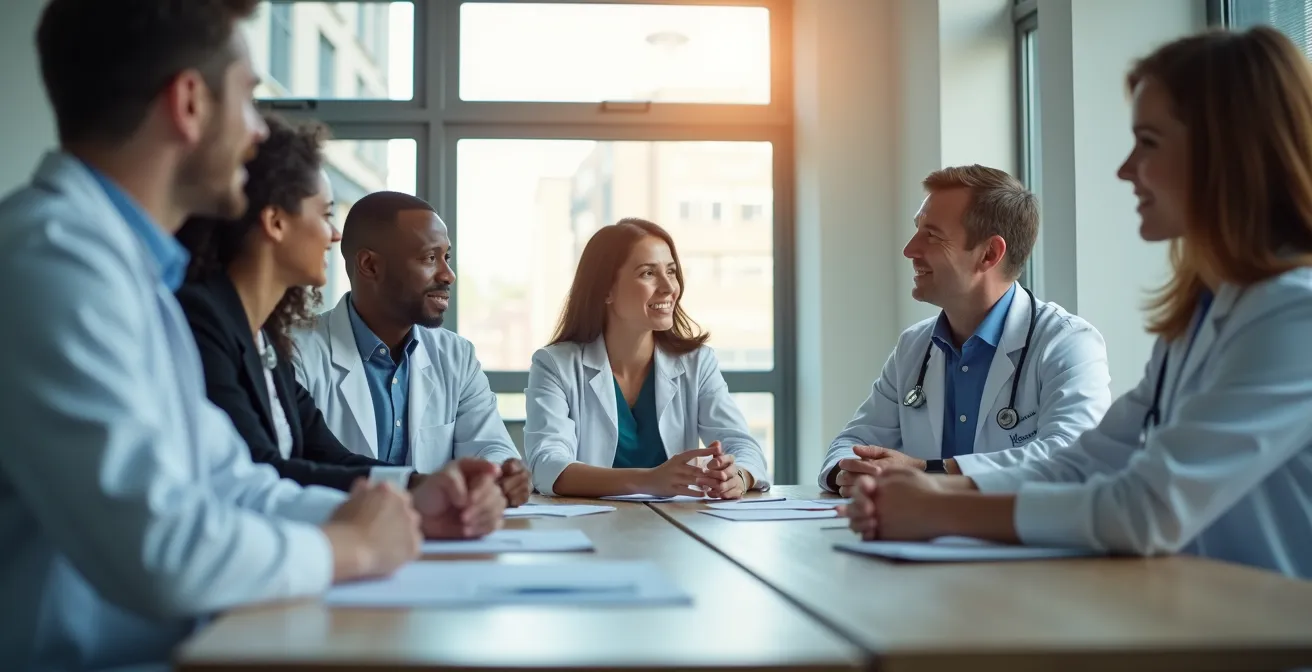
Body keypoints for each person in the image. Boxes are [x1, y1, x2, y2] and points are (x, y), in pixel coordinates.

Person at [0, 3, 497, 669]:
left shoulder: (135, 277)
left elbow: (233, 482)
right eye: (248, 97)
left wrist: (408, 507)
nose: (258, 131)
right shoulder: (52, 262)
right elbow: (161, 549)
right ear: (189, 103)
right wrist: (349, 546)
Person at [844, 26, 1312, 580]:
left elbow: (1147, 508)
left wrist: (939, 505)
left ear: (1224, 154)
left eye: (1148, 142)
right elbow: (1090, 460)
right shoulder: (1202, 311)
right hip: (1203, 606)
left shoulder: (1294, 315)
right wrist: (931, 487)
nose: (1125, 169)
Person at [173, 113, 507, 533]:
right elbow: (262, 470)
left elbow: (324, 453)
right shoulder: (204, 322)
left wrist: (418, 484)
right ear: (276, 222)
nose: (334, 235)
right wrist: (403, 504)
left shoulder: (263, 337)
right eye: (326, 214)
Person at [819, 165, 1112, 496]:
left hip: (1019, 529)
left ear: (989, 254)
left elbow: (1074, 458)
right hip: (921, 527)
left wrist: (929, 471)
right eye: (917, 230)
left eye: (932, 235)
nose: (909, 250)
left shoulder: (1067, 342)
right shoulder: (915, 346)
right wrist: (852, 472)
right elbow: (852, 441)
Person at [292, 191, 532, 507]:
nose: (448, 275)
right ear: (370, 265)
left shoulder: (457, 356)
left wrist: (500, 474)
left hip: (441, 533)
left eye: (447, 257)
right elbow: (294, 468)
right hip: (339, 530)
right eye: (429, 258)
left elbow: (490, 445)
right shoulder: (295, 351)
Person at [524, 217, 772, 498]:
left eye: (671, 271)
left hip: (677, 523)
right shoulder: (555, 365)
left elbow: (743, 447)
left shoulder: (697, 363)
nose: (669, 287)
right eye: (648, 273)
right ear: (606, 289)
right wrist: (648, 480)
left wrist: (737, 476)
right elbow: (547, 465)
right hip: (590, 522)